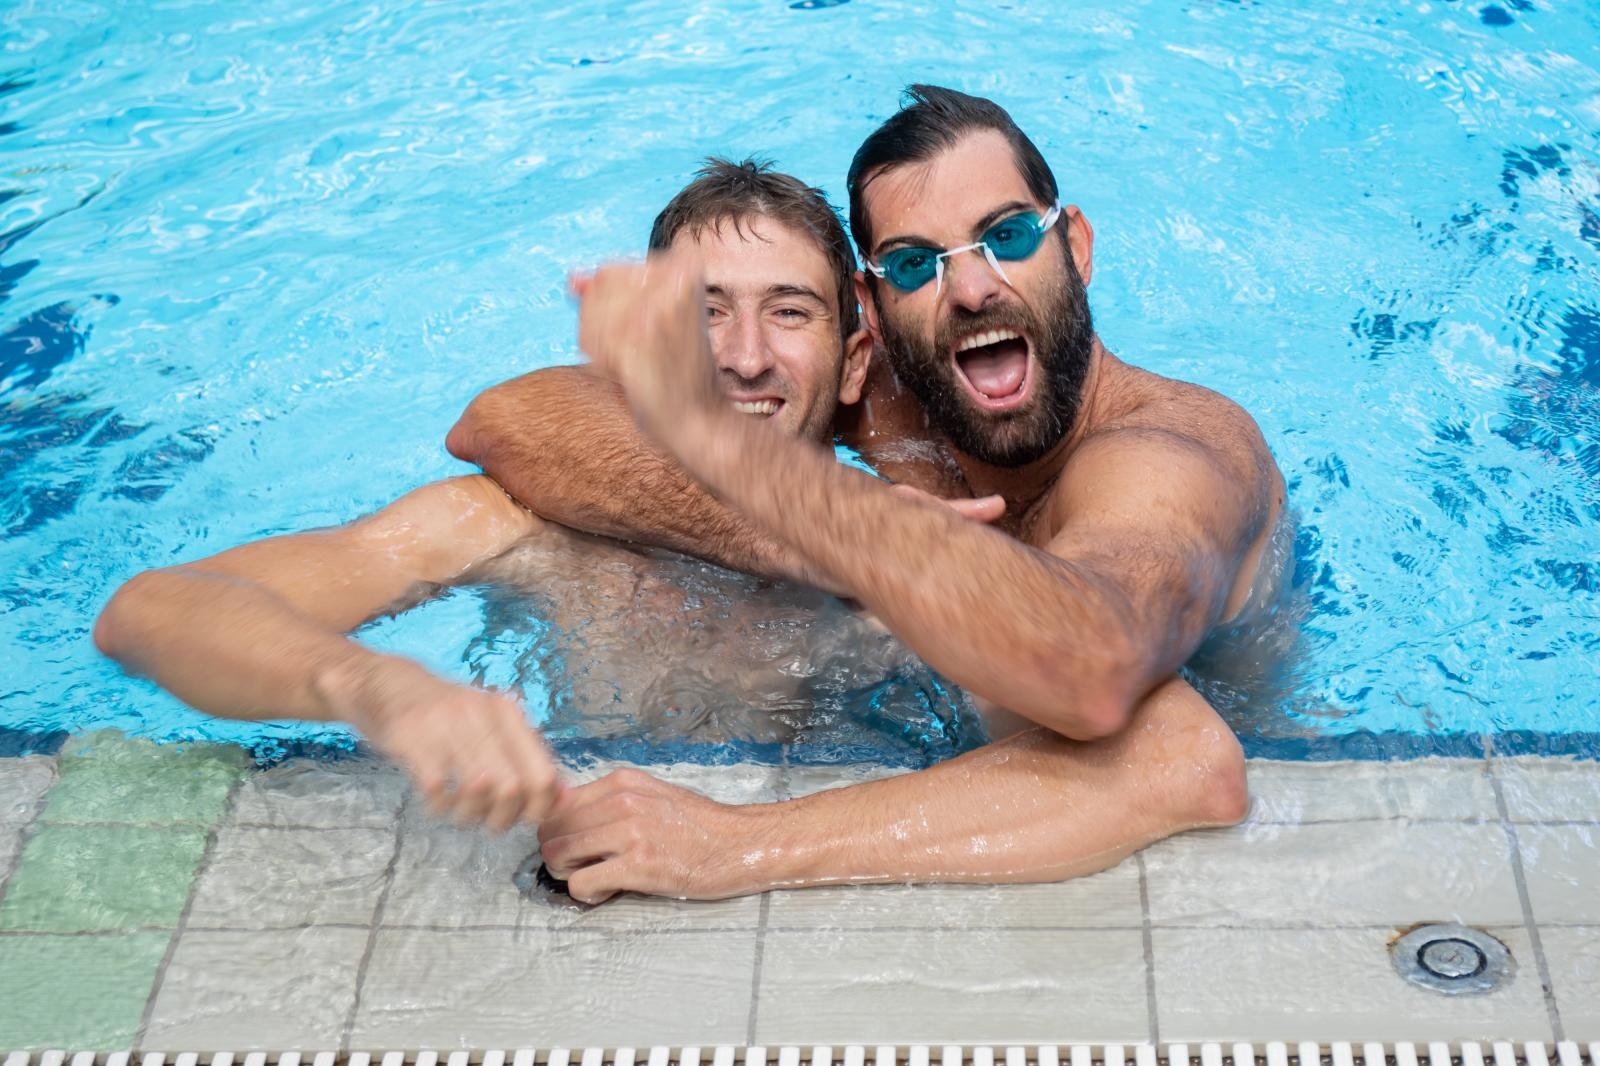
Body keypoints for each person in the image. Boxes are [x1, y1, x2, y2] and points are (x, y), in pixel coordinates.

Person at [449, 85, 1288, 902]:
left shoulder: (1168, 456)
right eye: (916, 264)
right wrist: (805, 538)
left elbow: (1167, 748)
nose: (973, 289)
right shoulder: (899, 391)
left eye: (1007, 236)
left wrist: (733, 846)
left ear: (1076, 244)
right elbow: (504, 422)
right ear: (873, 311)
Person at [93, 159, 928, 837]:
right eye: (706, 312)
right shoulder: (537, 533)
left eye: (789, 312)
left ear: (854, 364)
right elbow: (149, 614)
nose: (746, 357)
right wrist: (378, 688)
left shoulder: (911, 550)